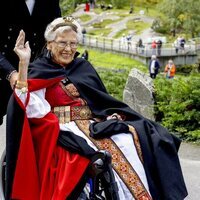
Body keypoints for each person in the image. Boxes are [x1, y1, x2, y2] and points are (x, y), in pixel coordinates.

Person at [6, 16, 187, 200]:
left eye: (73, 43)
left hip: (94, 123)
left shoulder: (82, 66)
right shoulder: (39, 69)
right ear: (50, 44)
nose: (68, 49)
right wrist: (23, 64)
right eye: (62, 43)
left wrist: (109, 115)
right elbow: (28, 105)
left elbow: (101, 100)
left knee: (136, 136)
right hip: (62, 128)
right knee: (102, 152)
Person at [0, 0, 61, 125]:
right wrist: (10, 73)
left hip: (34, 76)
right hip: (2, 69)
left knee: (30, 127)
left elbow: (55, 36)